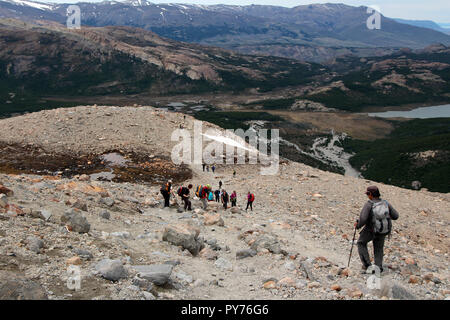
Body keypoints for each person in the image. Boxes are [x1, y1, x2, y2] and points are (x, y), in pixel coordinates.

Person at [355, 186, 399, 273]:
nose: (367, 196)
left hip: (370, 230)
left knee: (361, 243)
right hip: (383, 230)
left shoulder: (369, 204)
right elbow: (396, 216)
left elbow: (363, 219)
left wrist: (358, 225)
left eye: (367, 194)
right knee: (378, 248)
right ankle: (378, 267)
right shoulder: (386, 203)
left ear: (370, 194)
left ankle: (367, 265)